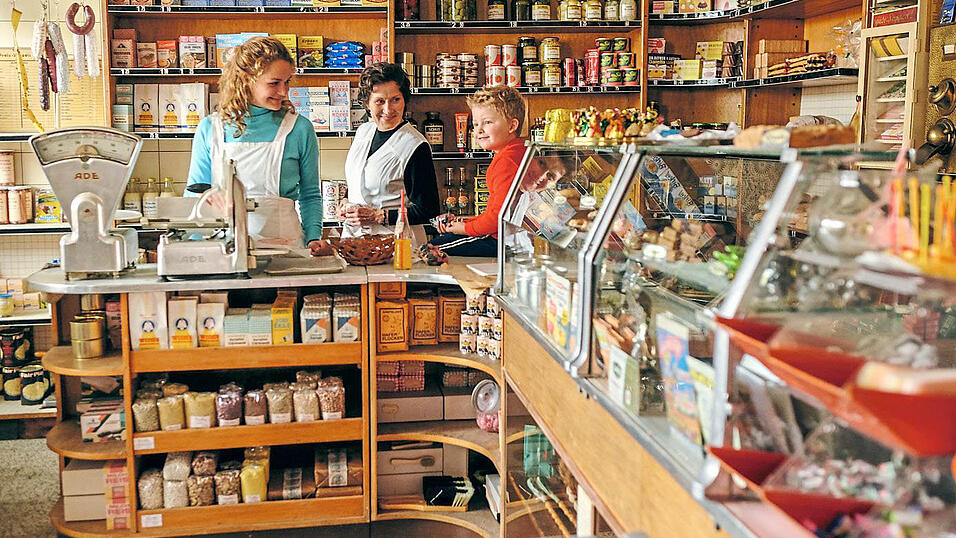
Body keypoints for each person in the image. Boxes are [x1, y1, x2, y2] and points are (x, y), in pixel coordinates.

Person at [186, 36, 327, 253]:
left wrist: (314, 238)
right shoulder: (210, 129)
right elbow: (194, 194)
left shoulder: (299, 128)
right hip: (225, 250)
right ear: (246, 79)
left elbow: (310, 194)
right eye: (274, 83)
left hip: (286, 250)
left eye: (287, 82)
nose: (283, 92)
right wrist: (196, 248)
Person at [340, 63, 440, 238]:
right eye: (380, 101)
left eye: (395, 100)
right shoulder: (363, 132)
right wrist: (346, 201)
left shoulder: (415, 145)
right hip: (354, 239)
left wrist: (381, 216)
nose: (388, 109)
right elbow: (360, 178)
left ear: (405, 100)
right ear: (367, 103)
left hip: (396, 241)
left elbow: (429, 210)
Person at [430, 86, 527, 257]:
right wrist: (464, 222)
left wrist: (464, 228)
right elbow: (495, 213)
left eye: (487, 122)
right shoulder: (515, 152)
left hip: (502, 242)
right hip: (511, 238)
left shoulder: (506, 161)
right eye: (475, 124)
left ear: (512, 125)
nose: (479, 130)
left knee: (433, 247)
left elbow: (497, 218)